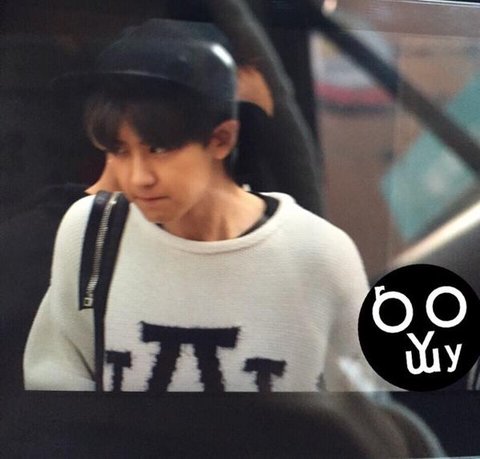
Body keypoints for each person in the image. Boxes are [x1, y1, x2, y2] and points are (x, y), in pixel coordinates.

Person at [24, 18, 381, 392]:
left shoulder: (319, 254)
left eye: (158, 149)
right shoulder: (92, 235)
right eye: (120, 150)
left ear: (221, 139)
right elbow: (56, 388)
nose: (137, 178)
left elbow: (364, 412)